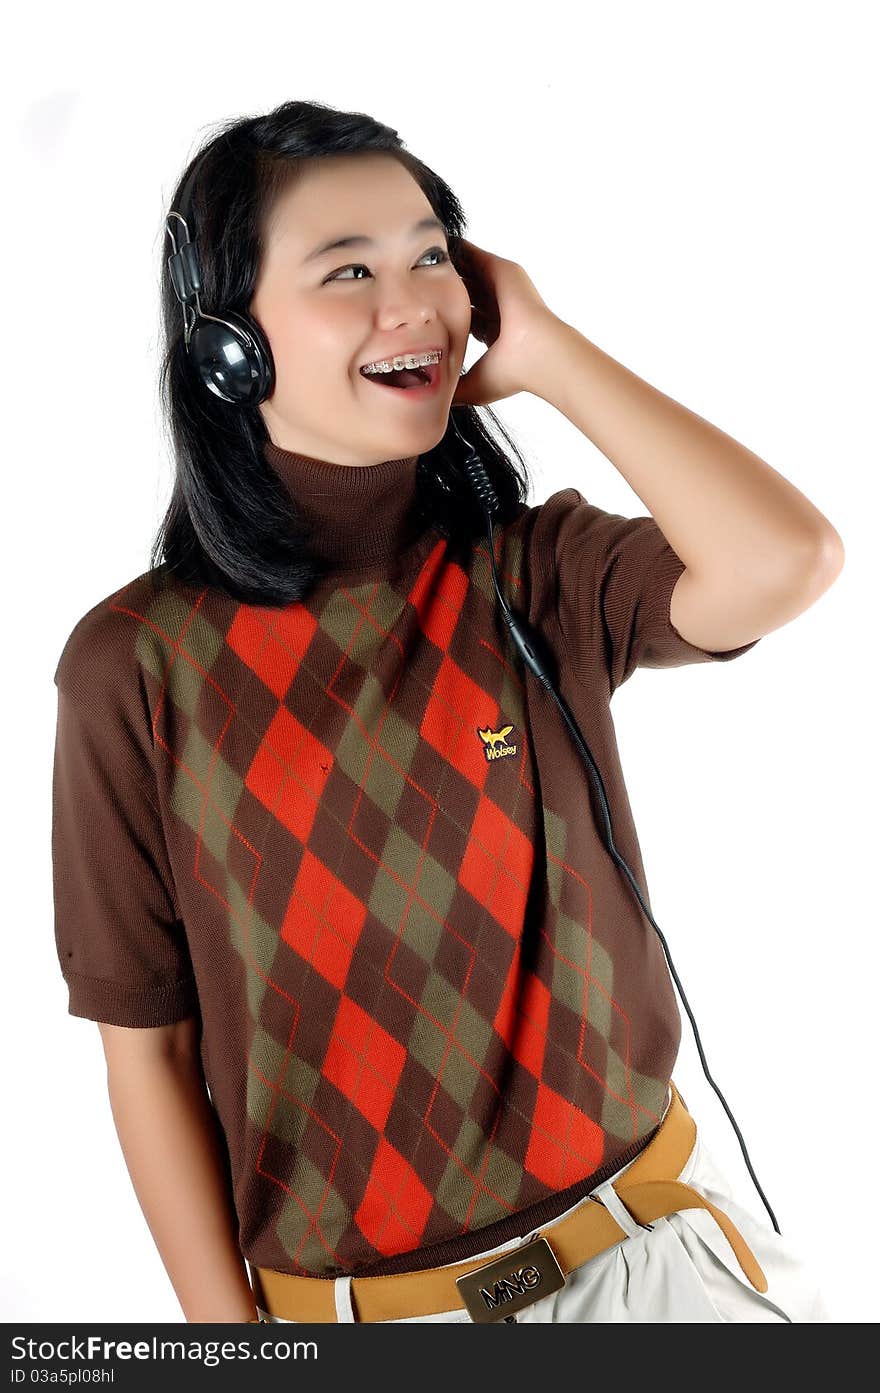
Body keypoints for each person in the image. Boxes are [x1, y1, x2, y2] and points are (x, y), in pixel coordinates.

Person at [51, 98, 840, 1325]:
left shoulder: (533, 571)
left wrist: (552, 353)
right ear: (228, 348)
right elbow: (142, 1050)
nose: (410, 299)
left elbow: (783, 561)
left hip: (657, 1274)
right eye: (347, 270)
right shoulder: (134, 666)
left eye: (432, 253)